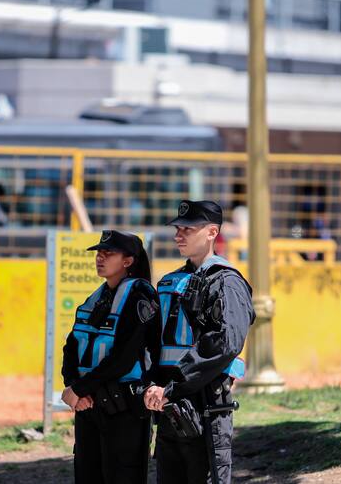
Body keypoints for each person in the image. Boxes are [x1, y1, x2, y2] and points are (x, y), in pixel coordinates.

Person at [143, 200, 255, 484]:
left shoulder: (227, 281)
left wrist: (172, 387)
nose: (178, 235)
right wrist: (153, 387)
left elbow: (225, 343)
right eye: (177, 229)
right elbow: (153, 340)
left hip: (205, 405)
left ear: (212, 232)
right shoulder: (169, 282)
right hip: (168, 403)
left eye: (188, 229)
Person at [61, 230, 160, 484]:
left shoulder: (140, 297)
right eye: (98, 253)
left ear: (128, 261)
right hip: (89, 406)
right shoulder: (97, 298)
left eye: (108, 253)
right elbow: (71, 346)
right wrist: (73, 386)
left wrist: (79, 389)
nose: (100, 258)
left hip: (123, 409)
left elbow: (123, 359)